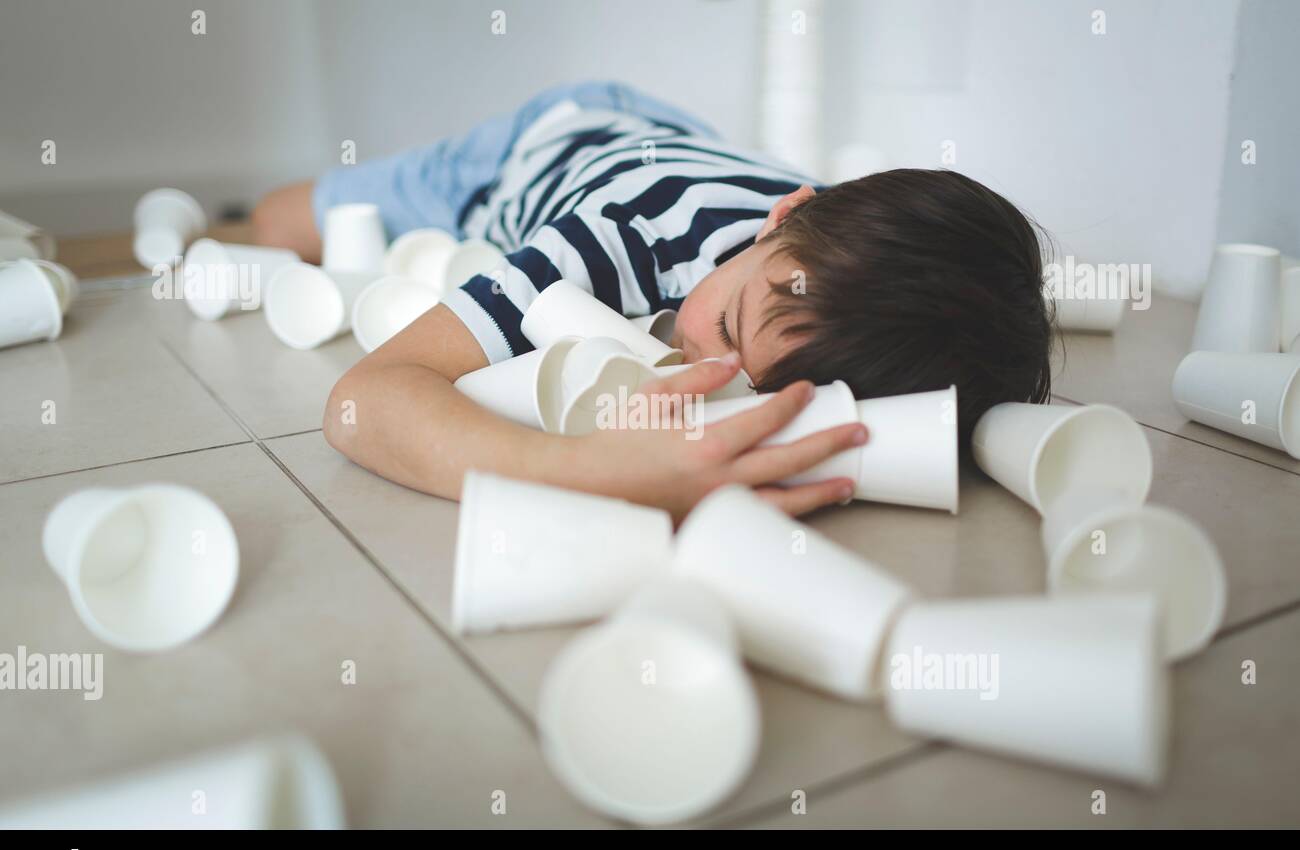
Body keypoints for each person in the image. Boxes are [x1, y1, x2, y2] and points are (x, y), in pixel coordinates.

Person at [253, 81, 1053, 521]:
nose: (715, 374)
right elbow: (363, 399)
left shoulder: (831, 262)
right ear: (783, 216)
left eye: (770, 393)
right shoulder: (620, 238)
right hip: (543, 143)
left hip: (676, 136)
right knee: (278, 222)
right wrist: (580, 473)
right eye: (729, 325)